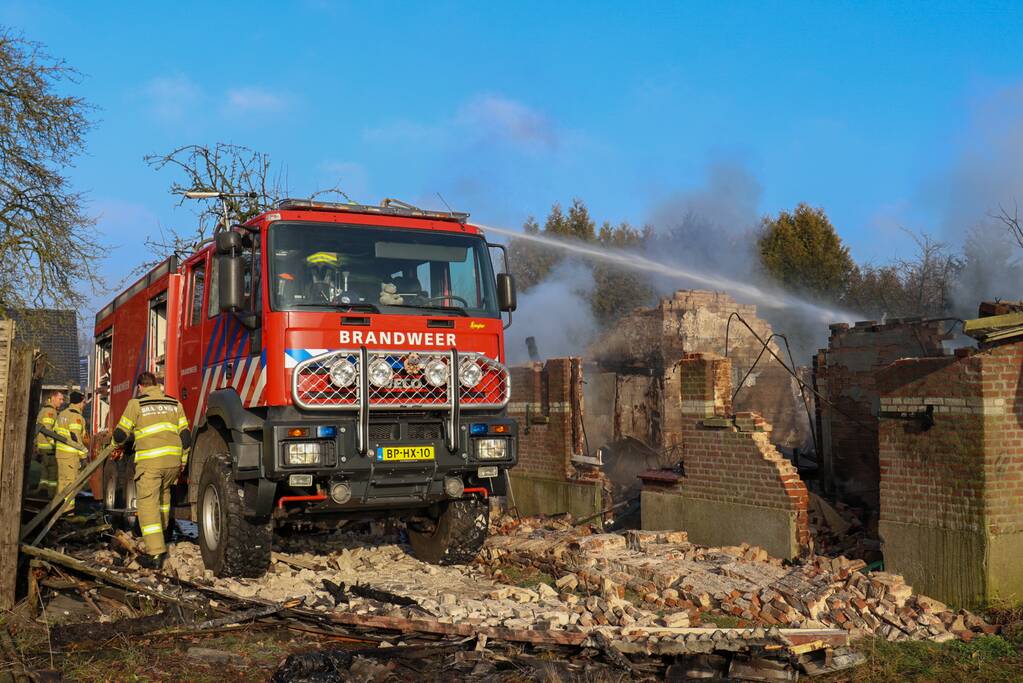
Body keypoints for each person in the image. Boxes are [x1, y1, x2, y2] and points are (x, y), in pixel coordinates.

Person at [112, 372, 191, 569]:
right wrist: (182, 461)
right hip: (172, 463)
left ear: (140, 387)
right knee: (163, 500)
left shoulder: (136, 404)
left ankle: (155, 555)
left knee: (148, 507)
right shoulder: (175, 404)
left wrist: (115, 446)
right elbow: (186, 436)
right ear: (157, 385)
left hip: (151, 464)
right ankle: (163, 537)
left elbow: (121, 433)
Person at [54, 391, 88, 516]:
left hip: (60, 455)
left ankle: (59, 510)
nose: (84, 405)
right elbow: (75, 437)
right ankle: (68, 512)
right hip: (70, 456)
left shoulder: (62, 414)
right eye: (84, 402)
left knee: (61, 483)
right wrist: (84, 454)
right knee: (70, 484)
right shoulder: (76, 417)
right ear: (79, 402)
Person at [33, 390, 64, 496]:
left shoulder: (45, 410)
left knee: (45, 473)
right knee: (52, 474)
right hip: (49, 448)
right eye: (60, 399)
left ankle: (42, 492)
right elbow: (47, 430)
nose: (62, 402)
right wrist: (54, 444)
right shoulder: (50, 412)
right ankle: (51, 495)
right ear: (53, 398)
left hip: (44, 448)